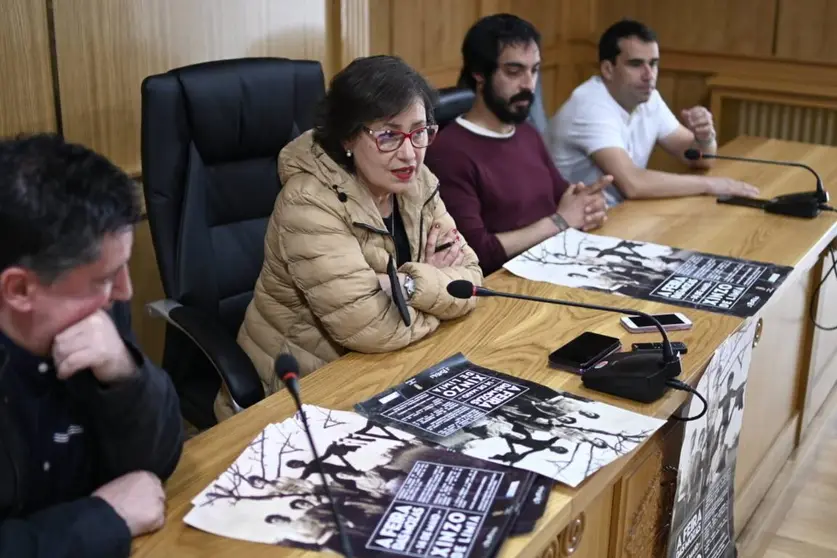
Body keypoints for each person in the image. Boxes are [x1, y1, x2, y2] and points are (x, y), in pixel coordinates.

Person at [228, 55, 483, 421]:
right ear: (348, 136)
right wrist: (433, 283)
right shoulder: (307, 201)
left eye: (420, 131)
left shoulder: (417, 182)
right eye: (389, 135)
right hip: (303, 395)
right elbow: (372, 329)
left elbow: (473, 277)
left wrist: (402, 287)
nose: (410, 153)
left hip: (394, 370)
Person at [0, 134, 184, 557]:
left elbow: (158, 460)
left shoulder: (93, 311)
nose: (124, 292)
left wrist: (125, 374)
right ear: (20, 288)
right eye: (104, 279)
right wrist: (103, 519)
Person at [425, 14, 610, 277]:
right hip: (503, 291)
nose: (528, 84)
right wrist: (561, 221)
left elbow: (564, 199)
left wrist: (588, 206)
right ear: (479, 74)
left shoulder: (526, 132)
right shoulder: (448, 152)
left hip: (554, 269)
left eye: (534, 70)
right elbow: (477, 251)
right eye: (514, 72)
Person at [548, 19, 760, 207]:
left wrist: (704, 138)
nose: (649, 75)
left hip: (617, 215)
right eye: (636, 64)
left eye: (654, 64)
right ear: (608, 69)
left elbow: (698, 158)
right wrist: (710, 185)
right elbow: (633, 184)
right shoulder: (589, 106)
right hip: (570, 229)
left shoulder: (648, 99)